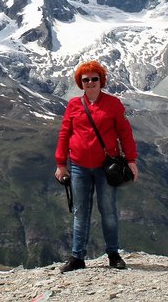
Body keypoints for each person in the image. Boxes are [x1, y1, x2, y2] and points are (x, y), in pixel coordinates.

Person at [54, 60, 139, 272]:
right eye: (86, 79)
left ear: (101, 80)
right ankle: (77, 257)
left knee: (108, 210)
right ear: (80, 83)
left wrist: (131, 160)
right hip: (79, 166)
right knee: (80, 211)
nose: (90, 82)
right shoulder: (73, 105)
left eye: (94, 78)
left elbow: (124, 133)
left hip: (105, 168)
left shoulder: (113, 104)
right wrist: (60, 164)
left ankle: (113, 254)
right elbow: (65, 134)